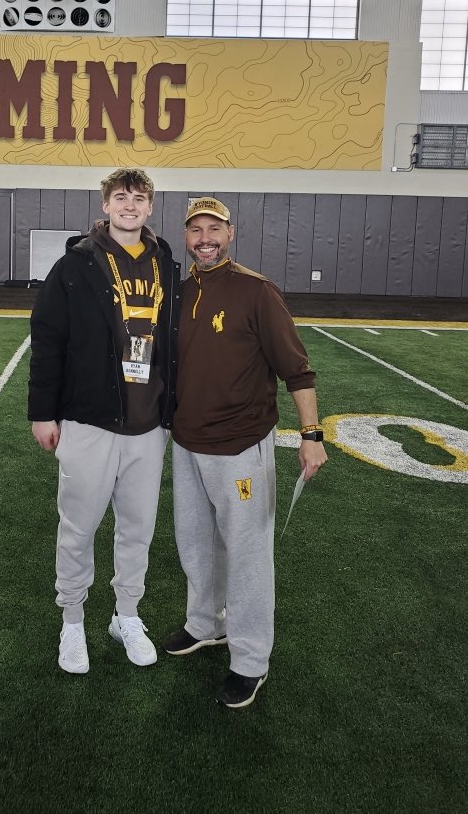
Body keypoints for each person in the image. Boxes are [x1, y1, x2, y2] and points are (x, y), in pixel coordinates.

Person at [162, 197, 327, 708]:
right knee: (195, 544)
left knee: (248, 558)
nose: (204, 238)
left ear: (230, 234)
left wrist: (311, 433)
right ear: (186, 237)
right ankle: (205, 624)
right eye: (196, 230)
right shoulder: (181, 290)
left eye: (214, 228)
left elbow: (296, 369)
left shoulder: (257, 291)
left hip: (241, 447)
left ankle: (251, 659)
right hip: (186, 442)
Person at [29, 168, 180, 675]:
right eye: (121, 197)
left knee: (137, 530)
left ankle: (127, 616)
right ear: (106, 205)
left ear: (151, 207)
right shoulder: (75, 264)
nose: (130, 206)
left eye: (139, 198)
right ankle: (72, 622)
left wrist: (172, 409)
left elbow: (173, 344)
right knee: (78, 527)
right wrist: (42, 412)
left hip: (147, 425)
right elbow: (47, 339)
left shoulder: (165, 262)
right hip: (90, 420)